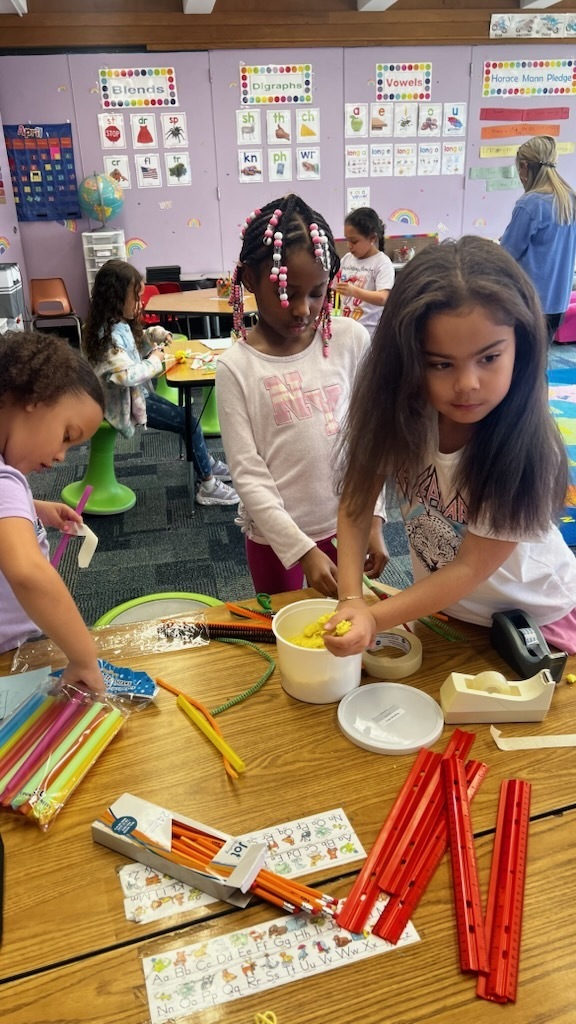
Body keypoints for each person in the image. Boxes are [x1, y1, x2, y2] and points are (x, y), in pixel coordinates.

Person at [324, 236, 576, 658]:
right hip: (448, 607)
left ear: (522, 346)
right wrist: (352, 600)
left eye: (489, 358)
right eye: (441, 364)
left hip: (535, 621)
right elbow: (355, 504)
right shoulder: (401, 412)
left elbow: (471, 566)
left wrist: (373, 617)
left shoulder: (528, 452)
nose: (467, 385)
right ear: (407, 357)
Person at [215, 194, 388, 595]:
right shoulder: (236, 369)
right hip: (277, 542)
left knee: (346, 631)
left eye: (316, 292)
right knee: (291, 630)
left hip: (349, 525)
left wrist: (374, 517)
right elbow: (248, 475)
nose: (302, 309)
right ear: (248, 280)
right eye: (285, 291)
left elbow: (370, 439)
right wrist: (302, 550)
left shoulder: (350, 339)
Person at [82, 260, 238, 507]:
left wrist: (152, 335)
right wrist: (156, 360)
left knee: (187, 420)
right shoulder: (107, 336)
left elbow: (131, 349)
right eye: (135, 297)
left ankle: (204, 461)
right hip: (121, 403)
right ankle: (207, 485)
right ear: (116, 298)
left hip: (137, 395)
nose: (140, 303)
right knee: (190, 423)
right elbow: (125, 375)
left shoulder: (115, 324)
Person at [0, 330, 106, 693]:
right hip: (8, 656)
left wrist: (34, 510)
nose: (62, 455)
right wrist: (83, 658)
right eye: (66, 435)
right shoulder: (5, 481)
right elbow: (28, 573)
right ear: (34, 398)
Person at [500, 135, 576, 343]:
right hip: (558, 302)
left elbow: (506, 255)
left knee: (522, 366)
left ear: (524, 166)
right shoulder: (569, 200)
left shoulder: (531, 203)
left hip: (530, 303)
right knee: (539, 361)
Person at [334, 207, 395, 338]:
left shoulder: (381, 263)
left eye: (354, 241)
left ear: (372, 238)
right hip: (347, 330)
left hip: (369, 334)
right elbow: (334, 283)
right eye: (347, 240)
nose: (349, 245)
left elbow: (383, 298)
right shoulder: (347, 259)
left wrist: (354, 291)